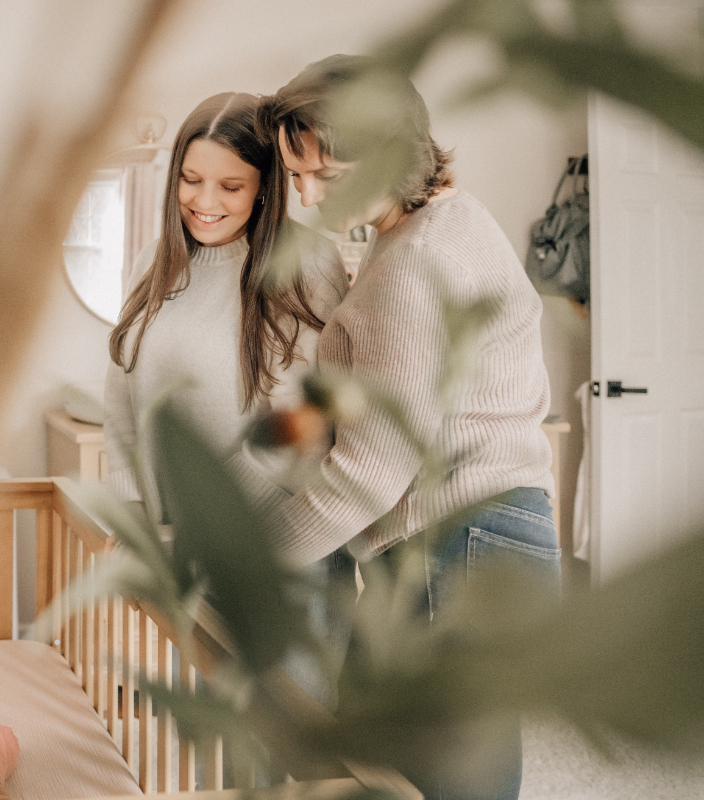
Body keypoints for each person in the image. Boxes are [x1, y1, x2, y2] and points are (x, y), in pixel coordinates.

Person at [246, 55, 560, 800]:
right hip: (484, 536)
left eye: (328, 172)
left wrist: (253, 559)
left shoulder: (413, 262)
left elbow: (369, 473)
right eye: (297, 176)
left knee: (440, 778)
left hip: (458, 542)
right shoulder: (437, 223)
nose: (309, 195)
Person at [103, 91, 351, 706]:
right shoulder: (155, 263)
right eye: (190, 180)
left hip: (283, 549)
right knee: (198, 748)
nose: (203, 202)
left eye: (230, 187)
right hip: (184, 547)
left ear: (267, 187)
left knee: (285, 750)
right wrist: (133, 507)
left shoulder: (309, 264)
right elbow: (123, 400)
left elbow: (317, 416)